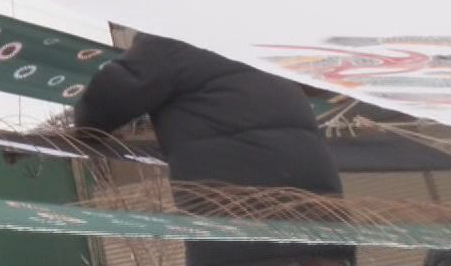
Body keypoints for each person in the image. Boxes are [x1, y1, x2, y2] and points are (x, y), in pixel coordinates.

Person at [72, 31, 356, 266]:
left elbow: (101, 105)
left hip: (248, 240)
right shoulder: (250, 36)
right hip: (327, 234)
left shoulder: (170, 38)